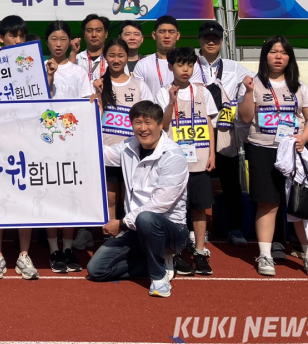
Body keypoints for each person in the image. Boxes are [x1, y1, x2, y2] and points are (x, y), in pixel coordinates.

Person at [238, 35, 308, 277]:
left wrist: (303, 138)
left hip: (294, 150)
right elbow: (245, 117)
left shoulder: (299, 86)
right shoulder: (252, 83)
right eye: (273, 51)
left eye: (284, 52)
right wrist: (248, 92)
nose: (278, 56)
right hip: (261, 148)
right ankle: (265, 254)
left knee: (300, 201)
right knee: (267, 202)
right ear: (264, 55)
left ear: (289, 58)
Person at [87, 101, 189, 298]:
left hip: (170, 229)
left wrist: (122, 223)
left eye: (148, 123)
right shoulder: (128, 146)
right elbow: (99, 154)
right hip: (136, 228)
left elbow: (161, 204)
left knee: (147, 218)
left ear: (160, 125)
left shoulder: (173, 156)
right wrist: (82, 126)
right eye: (137, 123)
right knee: (97, 270)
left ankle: (159, 277)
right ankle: (155, 261)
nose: (143, 128)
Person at [190, 20, 254, 247]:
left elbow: (256, 81)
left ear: (222, 41)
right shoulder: (190, 65)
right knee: (196, 180)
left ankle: (234, 228)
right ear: (199, 40)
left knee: (230, 181)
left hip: (225, 130)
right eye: (206, 38)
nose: (211, 42)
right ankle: (193, 229)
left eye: (215, 38)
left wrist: (244, 90)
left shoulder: (234, 67)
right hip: (197, 130)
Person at [155, 47, 217, 277]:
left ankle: (200, 251)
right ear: (171, 66)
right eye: (181, 65)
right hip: (174, 162)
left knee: (200, 207)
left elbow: (209, 123)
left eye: (190, 65)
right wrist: (171, 103)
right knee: (175, 209)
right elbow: (163, 125)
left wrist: (212, 153)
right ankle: (177, 252)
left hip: (199, 159)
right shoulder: (163, 93)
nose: (185, 69)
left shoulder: (203, 92)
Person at [94, 39, 154, 271]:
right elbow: (92, 113)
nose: (116, 60)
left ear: (127, 57)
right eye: (112, 55)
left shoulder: (139, 85)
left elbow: (148, 114)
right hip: (108, 152)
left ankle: (131, 235)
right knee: (110, 197)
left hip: (133, 151)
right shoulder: (99, 83)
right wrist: (97, 94)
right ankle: (110, 236)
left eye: (121, 55)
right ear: (105, 58)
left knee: (131, 196)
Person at [41, 20, 95, 263]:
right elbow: (39, 102)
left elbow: (86, 104)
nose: (58, 44)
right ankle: (54, 249)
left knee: (71, 193)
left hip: (72, 142)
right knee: (52, 194)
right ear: (47, 42)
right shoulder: (39, 68)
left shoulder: (79, 71)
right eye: (54, 39)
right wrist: (49, 77)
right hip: (46, 142)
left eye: (63, 39)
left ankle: (69, 247)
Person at [0, 15, 36, 280]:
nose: (18, 40)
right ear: (1, 38)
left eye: (21, 36)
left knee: (24, 197)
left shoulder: (32, 64)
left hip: (24, 140)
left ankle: (23, 255)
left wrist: (49, 77)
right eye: (12, 36)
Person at [133, 15, 181, 96]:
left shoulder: (189, 64)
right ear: (154, 35)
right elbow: (137, 94)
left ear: (178, 35)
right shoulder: (143, 64)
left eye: (171, 32)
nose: (167, 36)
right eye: (162, 31)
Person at [75, 14, 111, 81]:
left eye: (98, 30)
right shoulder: (77, 59)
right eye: (89, 31)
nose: (94, 35)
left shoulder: (113, 59)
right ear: (84, 34)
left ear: (106, 34)